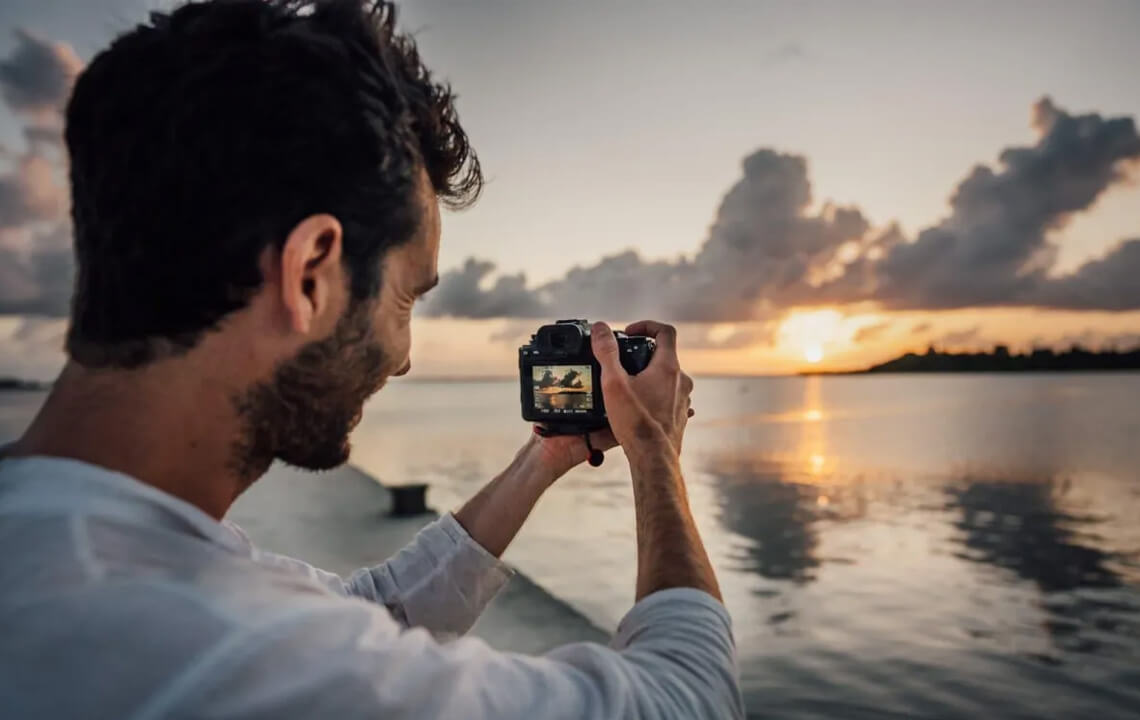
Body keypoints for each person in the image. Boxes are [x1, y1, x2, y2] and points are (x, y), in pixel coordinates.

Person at [0, 1, 743, 717]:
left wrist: (542, 460)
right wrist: (654, 452)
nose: (405, 358)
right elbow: (685, 701)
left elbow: (371, 616)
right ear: (311, 272)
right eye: (406, 299)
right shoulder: (213, 651)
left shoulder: (71, 544)